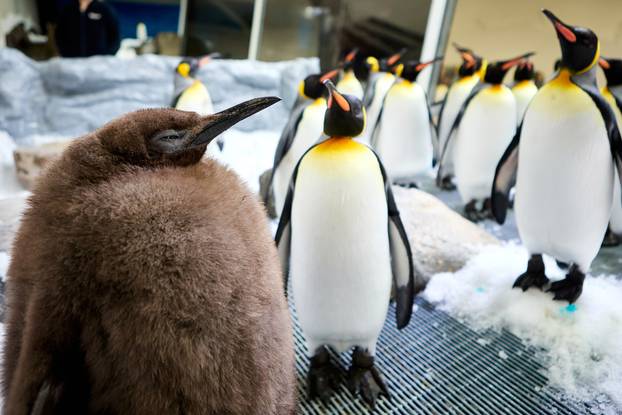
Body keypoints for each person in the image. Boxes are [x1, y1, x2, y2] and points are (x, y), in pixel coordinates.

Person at [56, 0, 120, 57]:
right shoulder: (68, 10)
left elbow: (115, 35)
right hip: (72, 61)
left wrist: (107, 55)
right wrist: (65, 53)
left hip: (98, 62)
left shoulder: (104, 9)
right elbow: (59, 34)